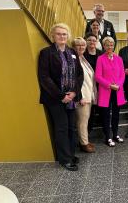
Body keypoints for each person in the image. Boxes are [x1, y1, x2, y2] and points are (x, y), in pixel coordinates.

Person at [38, 23, 83, 171]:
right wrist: (61, 95)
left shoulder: (72, 52)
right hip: (55, 99)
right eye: (59, 34)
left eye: (64, 34)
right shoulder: (46, 53)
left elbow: (79, 75)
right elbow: (44, 78)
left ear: (68, 36)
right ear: (53, 36)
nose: (62, 36)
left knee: (71, 127)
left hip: (71, 97)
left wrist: (74, 92)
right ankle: (64, 159)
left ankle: (70, 154)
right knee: (62, 128)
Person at [95, 36, 125, 147]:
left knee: (116, 115)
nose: (109, 47)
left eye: (111, 44)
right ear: (104, 46)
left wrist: (119, 85)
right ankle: (107, 137)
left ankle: (115, 134)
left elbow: (122, 74)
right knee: (106, 115)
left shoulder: (119, 59)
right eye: (107, 45)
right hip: (106, 91)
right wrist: (109, 85)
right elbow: (97, 76)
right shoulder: (100, 59)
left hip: (117, 91)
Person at [72, 37, 97, 153]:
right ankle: (84, 144)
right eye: (78, 45)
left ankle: (84, 140)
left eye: (83, 45)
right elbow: (74, 81)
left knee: (85, 120)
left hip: (88, 94)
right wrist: (80, 96)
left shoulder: (82, 58)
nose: (81, 47)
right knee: (82, 121)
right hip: (82, 97)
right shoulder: (73, 60)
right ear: (73, 47)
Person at [83, 33, 103, 133]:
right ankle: (88, 131)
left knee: (100, 107)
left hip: (100, 85)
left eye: (94, 40)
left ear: (97, 42)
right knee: (89, 110)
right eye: (89, 40)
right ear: (86, 41)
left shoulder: (101, 53)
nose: (92, 42)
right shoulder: (83, 54)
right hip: (87, 85)